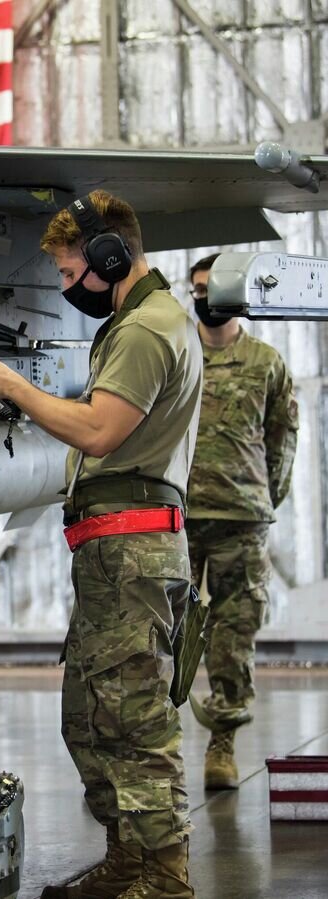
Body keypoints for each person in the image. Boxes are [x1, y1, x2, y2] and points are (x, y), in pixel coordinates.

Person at [0, 191, 200, 898]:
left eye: (72, 273)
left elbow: (99, 432)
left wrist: (15, 386)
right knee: (91, 719)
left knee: (132, 721)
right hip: (112, 552)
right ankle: (131, 860)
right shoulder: (142, 322)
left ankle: (166, 874)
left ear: (110, 256)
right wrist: (20, 399)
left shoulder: (147, 329)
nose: (67, 288)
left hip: (132, 553)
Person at [185, 253, 298, 790]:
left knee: (234, 635)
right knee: (157, 632)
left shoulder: (266, 362)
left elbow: (283, 438)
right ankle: (148, 748)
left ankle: (222, 743)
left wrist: (264, 497)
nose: (203, 298)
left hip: (240, 517)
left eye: (211, 288)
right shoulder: (177, 356)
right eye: (196, 289)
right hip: (175, 515)